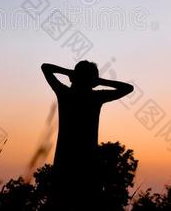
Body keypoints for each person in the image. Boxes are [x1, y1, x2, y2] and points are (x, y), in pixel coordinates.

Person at [40, 61, 134, 210]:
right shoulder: (96, 97)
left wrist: (70, 73)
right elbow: (127, 88)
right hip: (88, 166)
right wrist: (98, 81)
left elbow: (46, 68)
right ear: (92, 81)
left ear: (73, 78)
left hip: (64, 162)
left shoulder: (65, 93)